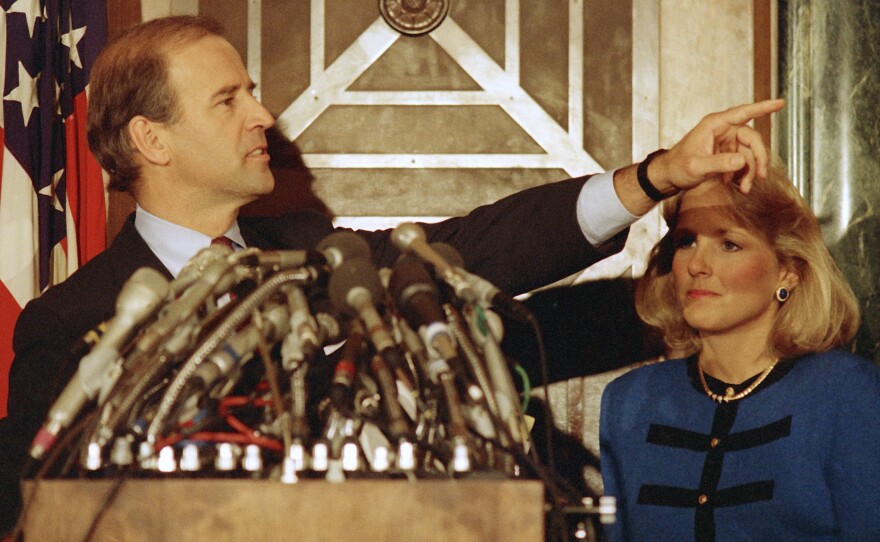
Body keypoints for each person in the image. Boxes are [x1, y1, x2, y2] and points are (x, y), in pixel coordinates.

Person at [0, 15, 783, 533]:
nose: (262, 116)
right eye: (227, 99)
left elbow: (479, 248)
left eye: (254, 91)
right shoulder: (73, 325)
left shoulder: (318, 257)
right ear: (152, 140)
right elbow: (42, 517)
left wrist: (656, 176)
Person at [599, 156, 880, 541]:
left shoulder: (848, 392)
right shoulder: (629, 400)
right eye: (687, 241)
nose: (698, 263)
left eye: (729, 244)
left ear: (787, 271)